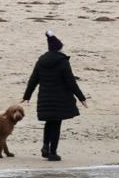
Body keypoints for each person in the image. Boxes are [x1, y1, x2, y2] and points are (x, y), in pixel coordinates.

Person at [22, 30, 88, 162]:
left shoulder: (41, 61)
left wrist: (27, 95)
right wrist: (82, 98)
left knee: (49, 122)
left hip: (45, 99)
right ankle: (53, 152)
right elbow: (71, 82)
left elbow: (33, 79)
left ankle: (45, 146)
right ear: (59, 48)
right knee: (56, 124)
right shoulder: (63, 61)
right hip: (60, 100)